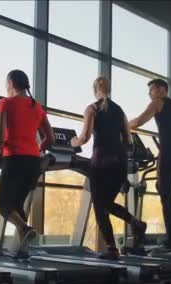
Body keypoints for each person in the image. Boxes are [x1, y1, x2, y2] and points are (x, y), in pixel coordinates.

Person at [71, 76, 147, 260]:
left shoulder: (92, 109)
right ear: (109, 89)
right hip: (119, 163)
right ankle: (135, 223)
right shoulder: (119, 110)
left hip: (101, 163)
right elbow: (128, 140)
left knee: (100, 208)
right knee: (106, 204)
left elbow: (85, 137)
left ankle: (112, 249)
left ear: (94, 89)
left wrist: (72, 142)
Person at [0, 69, 54, 258]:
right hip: (33, 162)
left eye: (6, 83)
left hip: (14, 158)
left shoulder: (5, 103)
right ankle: (22, 251)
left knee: (4, 205)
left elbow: (0, 136)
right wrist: (37, 147)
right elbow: (50, 139)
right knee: (18, 205)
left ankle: (24, 228)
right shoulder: (37, 107)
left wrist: (1, 150)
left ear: (11, 83)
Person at [128, 79, 171, 256]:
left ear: (162, 89)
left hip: (169, 153)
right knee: (163, 188)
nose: (150, 94)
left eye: (152, 90)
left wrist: (122, 126)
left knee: (165, 195)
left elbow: (139, 121)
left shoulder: (157, 102)